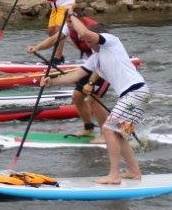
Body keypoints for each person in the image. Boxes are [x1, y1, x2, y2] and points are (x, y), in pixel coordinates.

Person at [40, 15, 150, 184]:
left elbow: (84, 33)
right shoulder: (96, 58)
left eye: (91, 42)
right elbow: (75, 75)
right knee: (119, 134)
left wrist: (70, 16)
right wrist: (51, 82)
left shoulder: (111, 41)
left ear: (97, 38)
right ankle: (134, 172)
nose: (88, 45)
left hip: (135, 93)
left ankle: (114, 175)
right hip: (134, 95)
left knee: (108, 129)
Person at [27, 11, 110, 139]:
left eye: (71, 21)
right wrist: (37, 47)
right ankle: (88, 128)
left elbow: (101, 61)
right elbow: (53, 39)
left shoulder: (91, 32)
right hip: (92, 64)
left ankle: (106, 134)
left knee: (94, 99)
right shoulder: (69, 25)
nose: (68, 24)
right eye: (67, 21)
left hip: (105, 67)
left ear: (80, 20)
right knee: (77, 96)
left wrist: (91, 83)